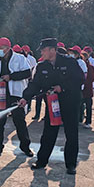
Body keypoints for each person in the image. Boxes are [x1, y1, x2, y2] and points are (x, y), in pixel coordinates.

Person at [19, 38, 85, 175]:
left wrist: (63, 87)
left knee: (71, 134)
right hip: (53, 104)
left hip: (70, 103)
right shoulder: (42, 66)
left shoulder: (70, 62)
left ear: (53, 50)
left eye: (44, 50)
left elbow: (79, 79)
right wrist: (25, 97)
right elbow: (35, 84)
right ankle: (42, 161)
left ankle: (71, 164)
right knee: (49, 133)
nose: (42, 52)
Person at [80, 51, 94, 129]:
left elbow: (92, 78)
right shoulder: (80, 65)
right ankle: (80, 119)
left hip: (88, 90)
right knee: (80, 105)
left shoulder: (90, 67)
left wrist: (84, 83)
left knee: (88, 106)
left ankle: (88, 121)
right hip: (81, 90)